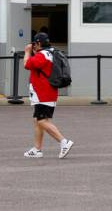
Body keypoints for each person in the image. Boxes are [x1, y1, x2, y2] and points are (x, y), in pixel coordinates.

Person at [23, 32, 74, 160]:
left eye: (35, 43)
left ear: (38, 43)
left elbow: (27, 64)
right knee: (38, 121)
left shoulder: (42, 55)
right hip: (49, 91)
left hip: (42, 93)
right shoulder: (51, 52)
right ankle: (37, 149)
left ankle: (64, 142)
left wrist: (27, 51)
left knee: (41, 120)